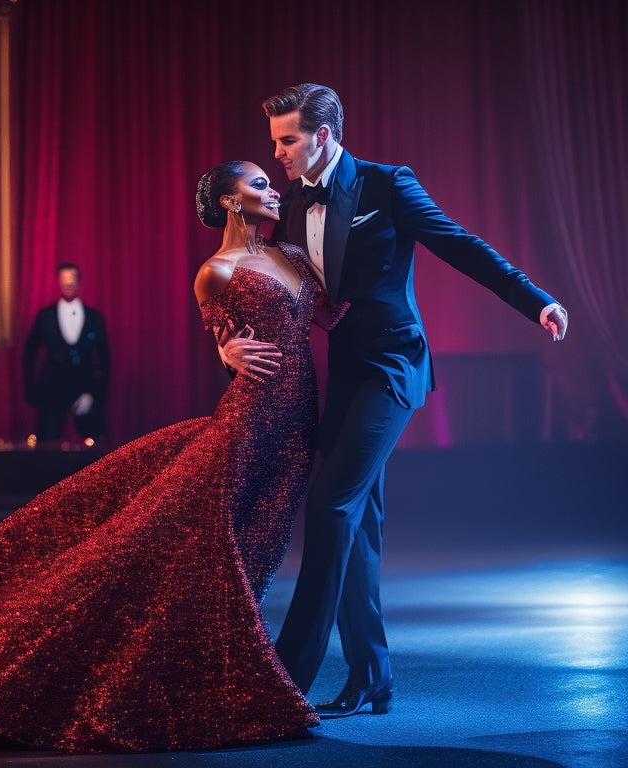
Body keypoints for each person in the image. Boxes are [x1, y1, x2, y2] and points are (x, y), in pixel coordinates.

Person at [0, 161, 344, 753]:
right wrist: (228, 357)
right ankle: (191, 683)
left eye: (273, 180)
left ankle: (196, 672)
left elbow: (328, 314)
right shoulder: (215, 272)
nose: (275, 189)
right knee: (194, 551)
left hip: (296, 433)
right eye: (259, 183)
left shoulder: (294, 258)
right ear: (226, 201)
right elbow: (225, 343)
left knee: (251, 549)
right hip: (248, 424)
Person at [220, 83, 569, 718]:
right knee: (359, 524)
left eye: (287, 140)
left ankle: (286, 680)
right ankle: (372, 678)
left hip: (394, 367)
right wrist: (230, 343)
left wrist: (536, 300)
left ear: (323, 136)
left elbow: (462, 247)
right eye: (274, 143)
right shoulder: (292, 202)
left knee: (330, 505)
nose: (277, 155)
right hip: (346, 372)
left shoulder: (386, 185)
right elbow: (244, 275)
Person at [23, 262, 111, 444]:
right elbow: (29, 352)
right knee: (47, 447)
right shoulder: (45, 316)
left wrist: (95, 394)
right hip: (51, 391)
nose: (68, 285)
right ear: (58, 282)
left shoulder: (94, 317)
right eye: (65, 281)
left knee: (94, 451)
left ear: (79, 282)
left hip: (85, 390)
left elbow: (104, 358)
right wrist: (32, 388)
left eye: (72, 281)